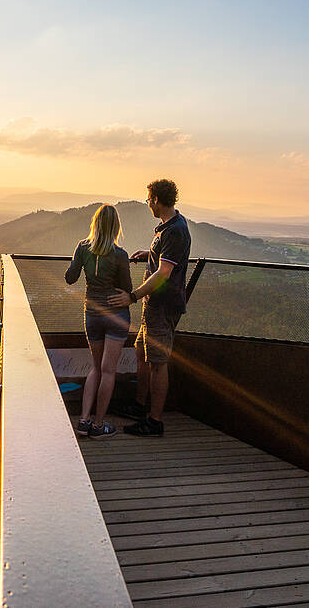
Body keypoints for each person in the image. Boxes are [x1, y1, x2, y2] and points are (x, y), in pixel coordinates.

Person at [107, 178, 191, 437]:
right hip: (153, 304)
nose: (148, 204)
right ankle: (139, 406)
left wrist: (132, 296)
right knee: (142, 353)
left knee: (157, 361)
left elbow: (164, 273)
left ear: (156, 199)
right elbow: (164, 261)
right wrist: (149, 255)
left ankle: (154, 421)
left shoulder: (175, 230)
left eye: (148, 200)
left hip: (162, 306)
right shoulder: (167, 227)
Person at [65, 204, 133, 440]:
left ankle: (83, 421)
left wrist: (78, 262)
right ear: (115, 228)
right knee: (108, 371)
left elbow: (70, 278)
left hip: (91, 314)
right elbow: (127, 289)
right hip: (115, 315)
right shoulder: (120, 254)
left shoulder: (82, 248)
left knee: (95, 368)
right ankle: (99, 425)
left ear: (94, 224)